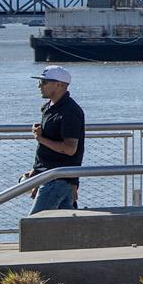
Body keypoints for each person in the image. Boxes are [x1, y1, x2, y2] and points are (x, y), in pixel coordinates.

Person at [29, 64, 85, 212]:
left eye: (44, 82)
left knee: (36, 222)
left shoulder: (69, 112)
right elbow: (46, 149)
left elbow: (70, 149)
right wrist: (35, 170)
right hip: (51, 177)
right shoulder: (50, 107)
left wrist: (40, 138)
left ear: (59, 84)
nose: (39, 86)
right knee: (65, 222)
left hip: (57, 180)